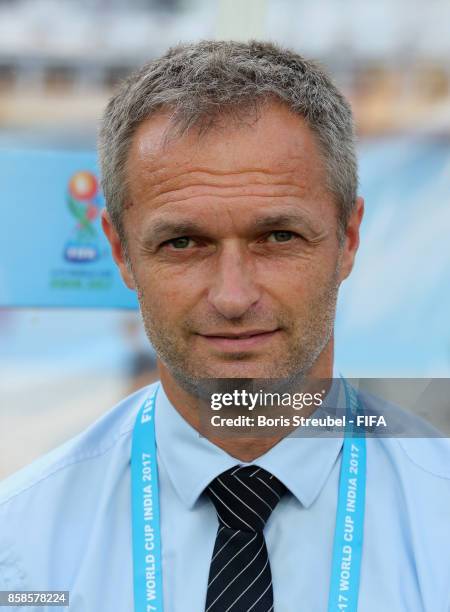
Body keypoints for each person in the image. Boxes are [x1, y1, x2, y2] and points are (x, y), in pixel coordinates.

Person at [1, 40, 449, 612]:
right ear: (120, 252)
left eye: (278, 237)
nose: (233, 297)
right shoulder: (18, 546)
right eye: (183, 242)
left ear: (349, 238)